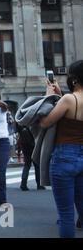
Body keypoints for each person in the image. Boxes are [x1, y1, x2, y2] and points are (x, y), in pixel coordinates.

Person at [39, 60, 83, 238]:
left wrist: (48, 95)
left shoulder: (68, 99)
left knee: (65, 215)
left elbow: (44, 122)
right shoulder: (69, 98)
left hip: (65, 156)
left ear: (74, 79)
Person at [17, 123, 42, 191]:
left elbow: (17, 128)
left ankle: (23, 184)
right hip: (33, 143)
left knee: (27, 164)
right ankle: (39, 184)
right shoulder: (32, 118)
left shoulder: (21, 118)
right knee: (37, 164)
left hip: (24, 143)